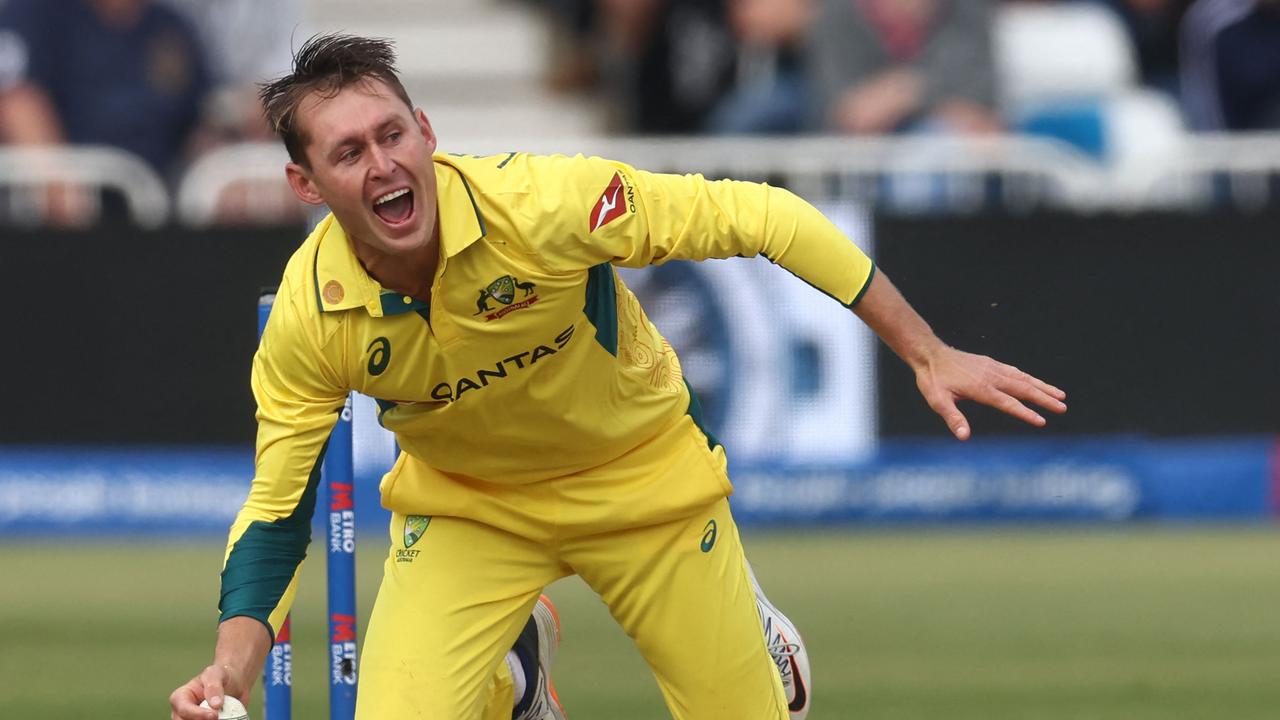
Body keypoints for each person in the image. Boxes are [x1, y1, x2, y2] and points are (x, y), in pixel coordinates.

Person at [169, 33, 1066, 720]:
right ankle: (515, 675)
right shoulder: (308, 314)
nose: (384, 165)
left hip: (644, 483)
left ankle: (747, 630)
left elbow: (767, 217)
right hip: (469, 508)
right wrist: (230, 668)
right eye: (348, 152)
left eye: (392, 134)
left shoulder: (547, 206)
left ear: (428, 133)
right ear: (306, 184)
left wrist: (926, 351)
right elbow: (278, 511)